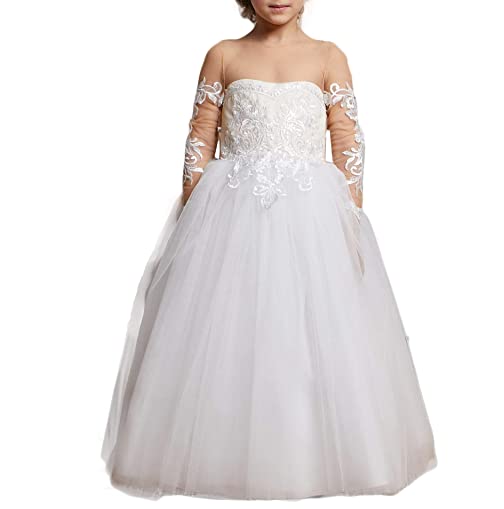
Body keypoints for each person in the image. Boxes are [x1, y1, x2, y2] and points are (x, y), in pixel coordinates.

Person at [101, 0, 437, 500]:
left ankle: (304, 459)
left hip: (311, 219)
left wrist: (349, 216)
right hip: (230, 215)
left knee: (307, 333)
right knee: (229, 333)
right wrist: (192, 215)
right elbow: (201, 137)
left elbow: (347, 139)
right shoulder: (223, 54)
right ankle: (222, 456)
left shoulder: (329, 56)